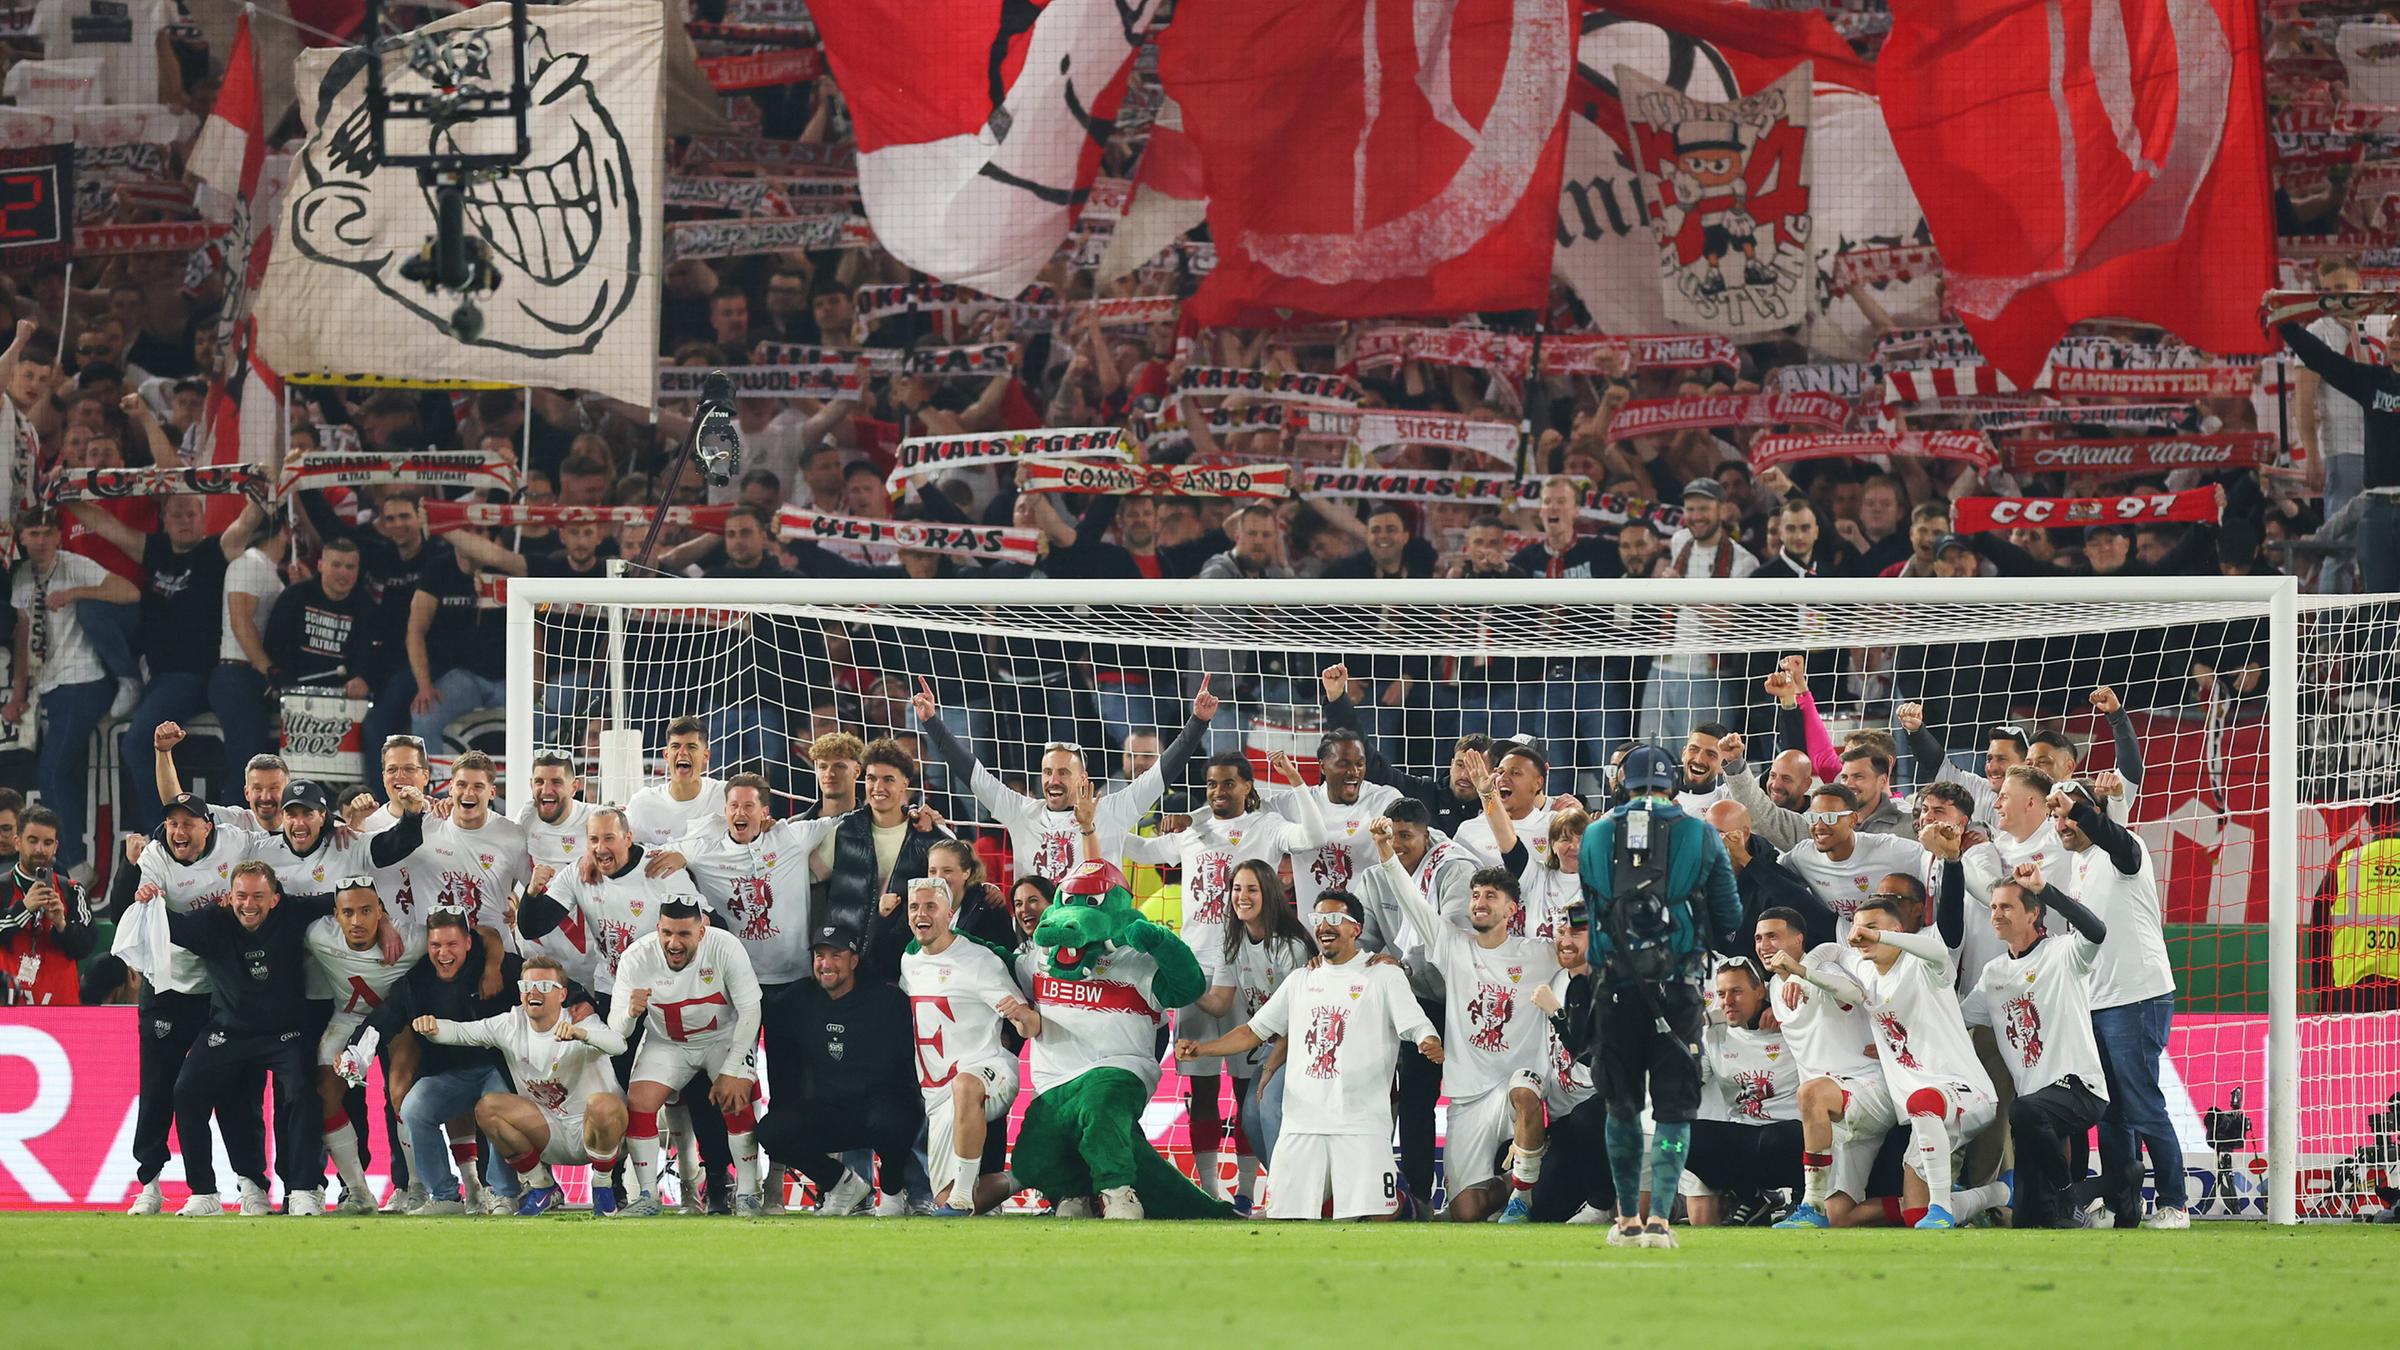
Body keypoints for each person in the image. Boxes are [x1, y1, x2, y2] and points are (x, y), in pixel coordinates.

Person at [1119, 750, 1327, 1200]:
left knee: (1247, 1086)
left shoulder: (1267, 826)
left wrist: (1295, 781)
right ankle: (1211, 1192)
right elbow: (1136, 850)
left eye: (1228, 783)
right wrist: (1114, 818)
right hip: (1193, 970)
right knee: (1201, 1089)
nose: (1218, 791)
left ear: (1248, 786)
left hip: (1248, 967)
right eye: (1211, 784)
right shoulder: (1191, 830)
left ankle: (1248, 1191)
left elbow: (1313, 835)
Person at [1177, 893, 1439, 1222]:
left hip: (1359, 1124)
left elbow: (1414, 1022)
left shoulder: (1383, 975)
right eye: (1318, 920)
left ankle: (1404, 1202)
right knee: (1284, 1217)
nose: (1324, 927)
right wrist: (1203, 1049)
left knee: (1377, 1216)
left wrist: (1427, 1038)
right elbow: (1253, 1031)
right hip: (1301, 1125)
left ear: (1356, 929)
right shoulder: (1301, 979)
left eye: (1334, 919)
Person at [1576, 745, 1743, 1248]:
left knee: (1620, 1108)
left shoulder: (1595, 833)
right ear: (1674, 783)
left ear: (1622, 783)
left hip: (1615, 989)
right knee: (1673, 1109)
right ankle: (1661, 1224)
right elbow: (1731, 917)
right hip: (1678, 990)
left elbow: (1591, 908)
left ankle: (1627, 1219)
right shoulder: (1700, 833)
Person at [1366, 822, 1560, 1220]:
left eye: (1491, 895)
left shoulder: (1540, 954)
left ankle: (1523, 1197)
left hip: (1517, 1084)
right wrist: (1385, 849)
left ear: (1512, 909)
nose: (1479, 902)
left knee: (1524, 1092)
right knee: (1465, 1212)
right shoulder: (1452, 946)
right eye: (1475, 895)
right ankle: (1516, 1183)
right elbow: (1410, 900)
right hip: (1467, 1093)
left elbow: (1585, 950)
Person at [131, 860, 339, 1215]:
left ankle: (303, 1189)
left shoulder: (293, 912)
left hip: (284, 1033)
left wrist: (382, 920)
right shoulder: (214, 921)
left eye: (258, 896)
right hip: (228, 1032)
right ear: (229, 896)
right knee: (186, 1090)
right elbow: (169, 926)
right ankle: (204, 1193)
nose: (248, 904)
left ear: (275, 898)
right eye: (241, 895)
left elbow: (342, 899)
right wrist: (147, 899)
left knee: (303, 1092)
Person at [70, 491, 267, 838]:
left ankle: (166, 832)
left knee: (138, 742)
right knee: (138, 742)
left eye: (191, 514)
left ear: (203, 518)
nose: (184, 521)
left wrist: (264, 489)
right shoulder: (155, 550)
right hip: (162, 677)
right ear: (164, 520)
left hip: (196, 676)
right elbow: (106, 525)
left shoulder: (215, 550)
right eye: (176, 514)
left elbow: (247, 522)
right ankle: (169, 829)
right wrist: (62, 496)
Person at [113, 793, 262, 1215]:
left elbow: (278, 843)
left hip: (221, 992)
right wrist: (133, 877)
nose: (179, 831)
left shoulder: (236, 842)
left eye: (188, 823)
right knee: (157, 1090)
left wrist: (342, 828)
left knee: (238, 1092)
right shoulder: (155, 856)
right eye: (173, 823)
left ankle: (251, 1184)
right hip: (167, 989)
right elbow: (129, 909)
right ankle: (150, 1184)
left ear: (208, 826)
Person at [913, 673, 1212, 883]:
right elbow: (973, 774)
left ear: (1083, 779)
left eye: (1063, 773)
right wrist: (932, 722)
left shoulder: (1110, 810)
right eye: (1047, 772)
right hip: (1035, 940)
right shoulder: (1022, 812)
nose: (1052, 780)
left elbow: (1161, 774)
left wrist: (1198, 722)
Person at [2049, 779, 2187, 1229]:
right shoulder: (2078, 864)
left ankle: (2175, 1203)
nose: (2063, 823)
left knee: (2142, 1105)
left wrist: (2081, 810)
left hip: (2137, 996)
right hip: (2096, 1000)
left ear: (2094, 814)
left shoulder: (2125, 851)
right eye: (2057, 816)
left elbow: (2113, 836)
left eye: (2071, 814)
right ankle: (2121, 1203)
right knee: (2107, 1112)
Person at [1826, 898, 2009, 1229]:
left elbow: (1937, 950)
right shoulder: (1866, 972)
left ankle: (1941, 1206)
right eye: (1859, 928)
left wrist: (1881, 938)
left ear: (1896, 931)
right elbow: (1835, 953)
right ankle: (1999, 1192)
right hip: (1924, 1113)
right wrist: (1801, 969)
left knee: (1922, 1102)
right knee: (1914, 1215)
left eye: (1873, 927)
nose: (1863, 935)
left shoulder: (1922, 965)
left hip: (1966, 1092)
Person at [414, 954, 631, 1218]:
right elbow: (462, 1032)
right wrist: (433, 1028)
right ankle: (541, 1185)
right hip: (549, 1132)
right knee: (488, 1108)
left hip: (596, 1132)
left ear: (562, 994)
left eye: (544, 986)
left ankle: (603, 1185)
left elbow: (619, 1045)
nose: (533, 992)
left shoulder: (579, 1019)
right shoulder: (510, 1023)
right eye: (527, 986)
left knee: (604, 1104)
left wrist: (582, 1035)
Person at [338, 907, 516, 1215]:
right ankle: (445, 1195)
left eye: (452, 944)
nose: (443, 954)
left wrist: (579, 1003)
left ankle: (504, 1194)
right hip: (449, 1075)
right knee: (414, 1109)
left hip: (497, 1070)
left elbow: (541, 984)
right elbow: (383, 1019)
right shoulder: (416, 982)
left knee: (496, 1108)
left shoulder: (499, 968)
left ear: (468, 943)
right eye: (436, 945)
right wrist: (353, 1053)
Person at [603, 897, 766, 1216]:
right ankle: (647, 1196)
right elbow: (617, 1031)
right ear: (657, 929)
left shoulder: (725, 947)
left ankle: (748, 1192)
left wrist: (732, 1069)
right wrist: (630, 1013)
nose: (673, 943)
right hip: (668, 1043)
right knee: (639, 1101)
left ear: (702, 931)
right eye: (666, 933)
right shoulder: (636, 956)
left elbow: (750, 1010)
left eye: (684, 934)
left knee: (737, 1098)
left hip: (721, 1038)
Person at [753, 923, 922, 1215]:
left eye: (836, 955)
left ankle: (893, 1192)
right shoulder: (800, 998)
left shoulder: (886, 1000)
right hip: (831, 1110)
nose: (826, 964)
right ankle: (842, 1183)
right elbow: (758, 1010)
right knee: (772, 1131)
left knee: (894, 1120)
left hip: (882, 1106)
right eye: (820, 956)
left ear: (854, 961)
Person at [1976, 868, 2111, 1229]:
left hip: (2080, 1088)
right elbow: (1955, 1020)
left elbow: (2096, 931)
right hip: (2034, 1109)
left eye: (2006, 907)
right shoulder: (1993, 973)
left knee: (2023, 1109)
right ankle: (2121, 1182)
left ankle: (2071, 1197)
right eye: (1993, 907)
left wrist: (2046, 889)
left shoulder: (2063, 952)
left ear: (2033, 913)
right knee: (2030, 1220)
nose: (1996, 914)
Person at [7, 509, 139, 874]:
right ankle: (71, 863)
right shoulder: (22, 577)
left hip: (84, 681)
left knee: (52, 772)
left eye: (48, 532)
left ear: (59, 536)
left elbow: (129, 591)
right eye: (34, 533)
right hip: (50, 684)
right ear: (22, 538)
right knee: (61, 771)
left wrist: (75, 593)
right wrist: (18, 694)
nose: (42, 540)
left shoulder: (74, 564)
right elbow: (22, 638)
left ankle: (74, 867)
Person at [900, 876, 1040, 1216]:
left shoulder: (978, 961)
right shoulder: (910, 962)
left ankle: (961, 1197)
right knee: (942, 1198)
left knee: (965, 1084)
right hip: (937, 1095)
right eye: (915, 907)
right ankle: (1025, 1176)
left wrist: (1021, 1016)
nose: (921, 914)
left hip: (991, 1070)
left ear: (950, 914)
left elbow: (1031, 1024)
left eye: (931, 906)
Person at [1185, 857, 1317, 1212]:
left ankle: (1289, 1197)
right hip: (1273, 1046)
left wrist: (1271, 1068)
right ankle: (1293, 1191)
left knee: (1268, 1107)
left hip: (1305, 1046)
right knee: (1252, 1117)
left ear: (1269, 893)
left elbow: (1299, 1019)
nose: (1242, 896)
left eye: (1252, 889)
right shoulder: (1232, 942)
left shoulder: (1291, 945)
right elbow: (1219, 1003)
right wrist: (1187, 985)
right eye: (1237, 889)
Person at [1759, 907, 1899, 1230]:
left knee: (1811, 1092)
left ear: (1798, 940)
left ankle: (1810, 1203)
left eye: (1773, 936)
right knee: (1840, 1215)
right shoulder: (1775, 987)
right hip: (1834, 1118)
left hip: (1868, 1090)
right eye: (1758, 938)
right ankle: (1979, 1199)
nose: (1764, 945)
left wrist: (1803, 971)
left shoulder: (1825, 969)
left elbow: (1854, 993)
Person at [305, 877, 423, 1214]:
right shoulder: (318, 935)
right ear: (335, 916)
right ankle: (358, 1192)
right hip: (347, 1020)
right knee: (324, 1096)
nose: (357, 920)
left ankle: (416, 1187)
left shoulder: (413, 939)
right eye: (348, 913)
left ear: (381, 912)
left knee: (401, 1094)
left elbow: (472, 938)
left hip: (397, 1023)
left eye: (367, 911)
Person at [2277, 319, 2400, 593]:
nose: (2394, 339)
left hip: (2376, 511)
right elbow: (2324, 360)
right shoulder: (2374, 381)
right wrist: (2285, 321)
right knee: (2379, 606)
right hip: (2376, 510)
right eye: (2391, 334)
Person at [1680, 958, 1802, 1225]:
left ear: (1760, 991)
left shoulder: (1795, 1023)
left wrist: (1781, 1009)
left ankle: (1801, 1198)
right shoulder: (1713, 1034)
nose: (1727, 1001)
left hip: (1792, 1134)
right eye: (1722, 994)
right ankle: (1752, 1197)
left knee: (1778, 1139)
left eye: (1736, 991)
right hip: (1744, 1135)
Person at [1778, 783, 1936, 943]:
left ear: (1853, 820)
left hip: (1892, 943)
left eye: (1830, 818)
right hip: (1843, 942)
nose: (1819, 826)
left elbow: (1935, 862)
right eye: (1813, 818)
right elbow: (1775, 879)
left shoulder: (1890, 849)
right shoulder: (1802, 856)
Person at [0, 807, 96, 1006]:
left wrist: (62, 924)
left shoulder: (73, 890)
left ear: (56, 847)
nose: (40, 849)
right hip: (9, 1009)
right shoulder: (2, 888)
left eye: (47, 842)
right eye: (32, 840)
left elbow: (86, 946)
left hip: (62, 1010)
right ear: (18, 842)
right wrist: (24, 909)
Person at [625, 716, 729, 847]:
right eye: (675, 746)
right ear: (666, 755)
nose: (682, 752)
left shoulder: (727, 796)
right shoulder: (642, 804)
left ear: (705, 755)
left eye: (691, 747)